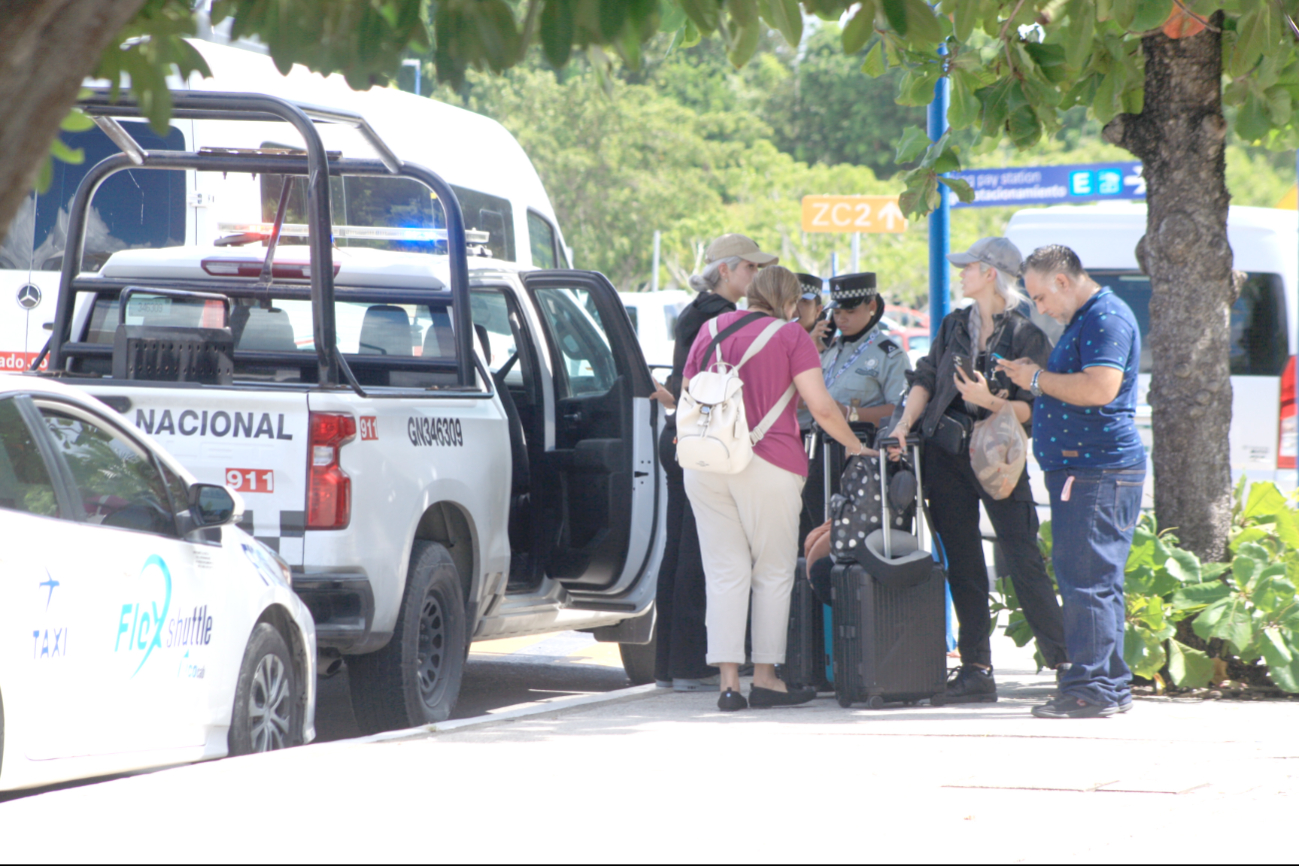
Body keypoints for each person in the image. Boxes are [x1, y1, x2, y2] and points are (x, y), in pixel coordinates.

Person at [681, 265, 875, 712]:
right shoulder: (791, 337)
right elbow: (821, 407)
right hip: (768, 462)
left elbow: (689, 391)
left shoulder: (710, 328)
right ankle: (766, 678)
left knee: (724, 571)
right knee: (771, 571)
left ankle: (728, 684)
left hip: (707, 462)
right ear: (789, 303)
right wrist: (855, 448)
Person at [888, 237, 1067, 704]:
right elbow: (926, 377)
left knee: (1022, 557)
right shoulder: (952, 325)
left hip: (999, 457)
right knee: (963, 563)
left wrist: (993, 402)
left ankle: (1067, 666)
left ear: (989, 273)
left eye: (968, 267)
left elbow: (1033, 410)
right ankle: (976, 670)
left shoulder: (1027, 335)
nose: (960, 273)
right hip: (945, 455)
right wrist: (904, 424)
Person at [998, 244, 1145, 719]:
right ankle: (1107, 683)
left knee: (1086, 580)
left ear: (1062, 281)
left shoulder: (1105, 318)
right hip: (1088, 468)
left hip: (1095, 468)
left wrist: (1038, 379)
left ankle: (1091, 688)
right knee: (1095, 578)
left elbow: (1099, 387)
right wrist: (1035, 377)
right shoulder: (1091, 318)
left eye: (1040, 297)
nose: (1039, 309)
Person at [648, 233, 774, 692]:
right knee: (701, 553)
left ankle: (670, 665)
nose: (754, 277)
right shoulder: (721, 317)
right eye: (749, 268)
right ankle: (692, 664)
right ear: (726, 269)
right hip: (707, 440)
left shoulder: (695, 311)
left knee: (681, 550)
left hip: (687, 436)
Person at [797, 272, 910, 543]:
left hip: (856, 461)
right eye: (837, 312)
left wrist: (851, 414)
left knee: (839, 540)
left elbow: (900, 409)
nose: (841, 318)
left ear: (871, 307)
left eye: (851, 310)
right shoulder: (829, 348)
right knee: (806, 537)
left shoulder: (889, 354)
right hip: (815, 456)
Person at [794, 273, 831, 352]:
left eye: (804, 301)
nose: (795, 307)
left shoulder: (825, 344)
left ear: (818, 310)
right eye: (791, 301)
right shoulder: (775, 336)